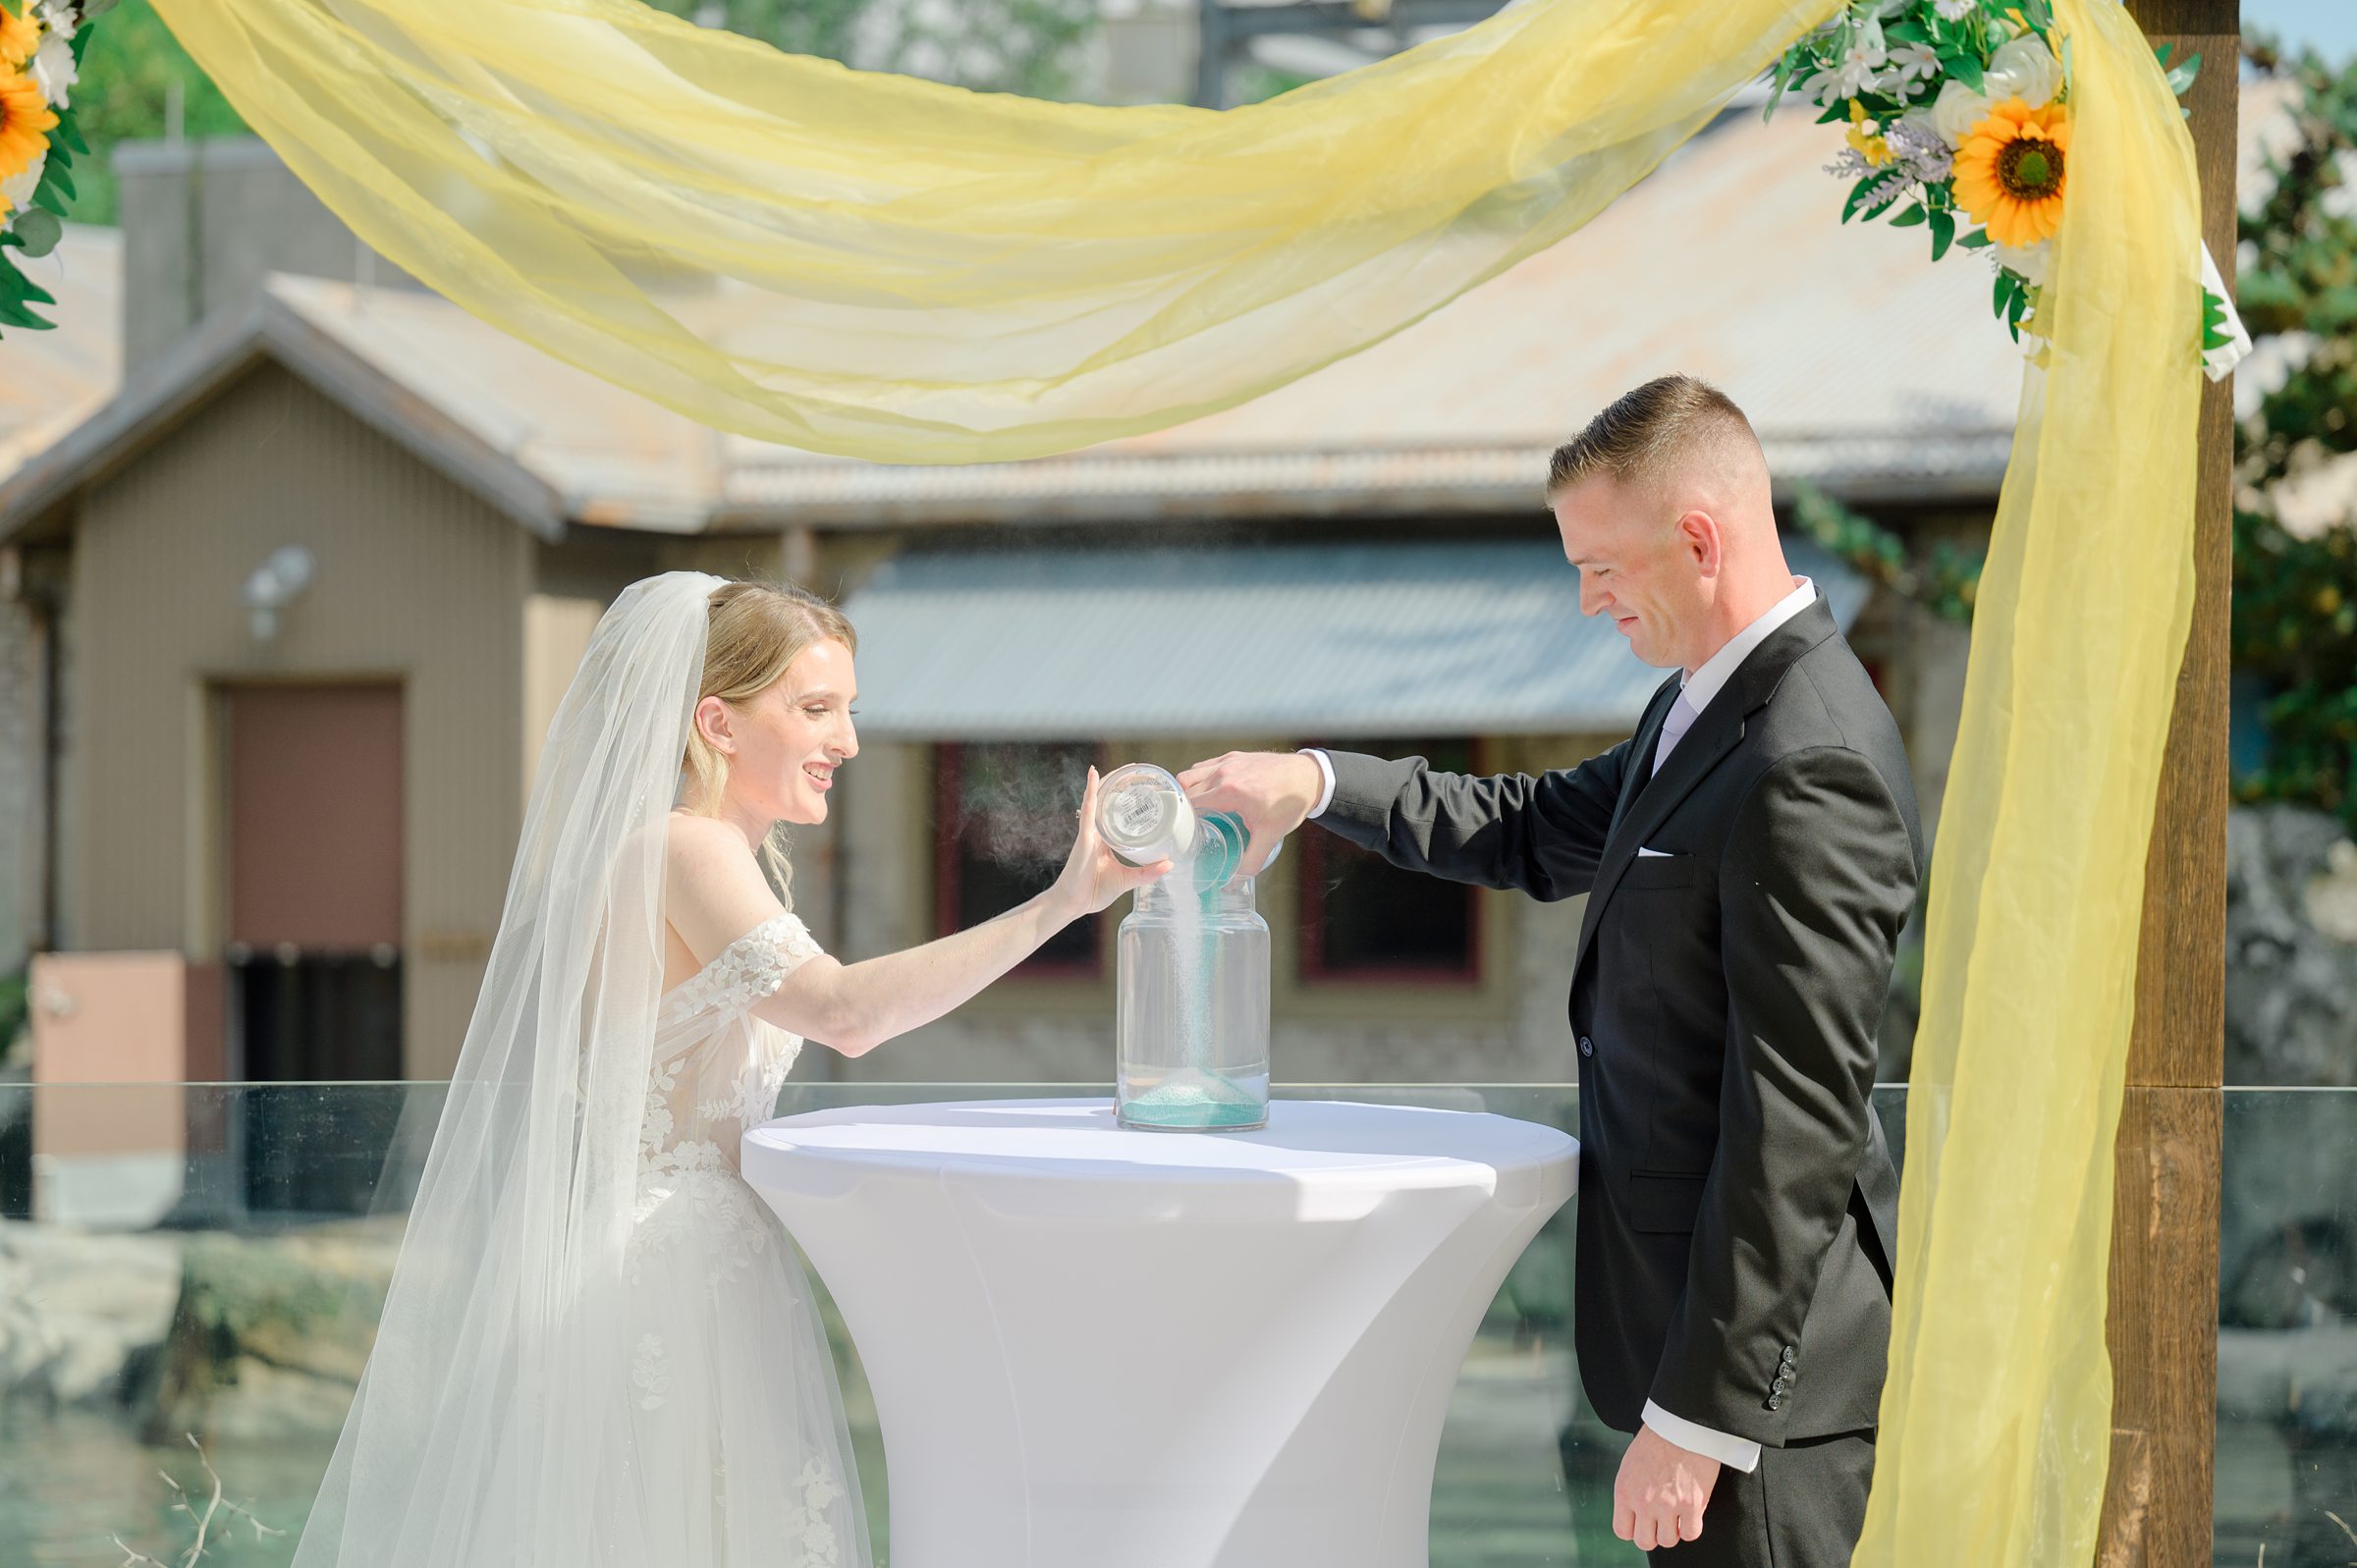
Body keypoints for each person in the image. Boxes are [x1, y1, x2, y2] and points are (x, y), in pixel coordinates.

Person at [1180, 374, 1921, 1567]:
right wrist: (1313, 781)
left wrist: (1700, 1418)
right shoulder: (1702, 706)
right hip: (1679, 1354)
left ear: (1697, 538)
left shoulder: (1808, 753)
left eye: (1602, 568)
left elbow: (1799, 1122)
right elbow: (1524, 826)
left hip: (1754, 1409)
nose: (1587, 602)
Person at [292, 573, 1163, 1568]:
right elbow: (845, 1013)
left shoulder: (714, 853)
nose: (847, 742)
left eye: (849, 711)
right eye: (814, 710)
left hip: (699, 1260)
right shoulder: (686, 848)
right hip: (667, 1276)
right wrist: (1060, 905)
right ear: (720, 721)